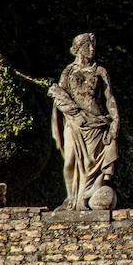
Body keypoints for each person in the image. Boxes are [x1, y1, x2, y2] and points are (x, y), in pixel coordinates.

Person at [49, 32, 120, 211]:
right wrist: (73, 112)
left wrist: (115, 121)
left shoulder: (100, 71)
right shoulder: (69, 71)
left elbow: (109, 98)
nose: (92, 49)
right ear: (78, 49)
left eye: (93, 46)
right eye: (88, 45)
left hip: (96, 124)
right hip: (74, 122)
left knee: (90, 164)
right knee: (69, 161)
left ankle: (85, 197)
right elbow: (59, 96)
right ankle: (71, 198)